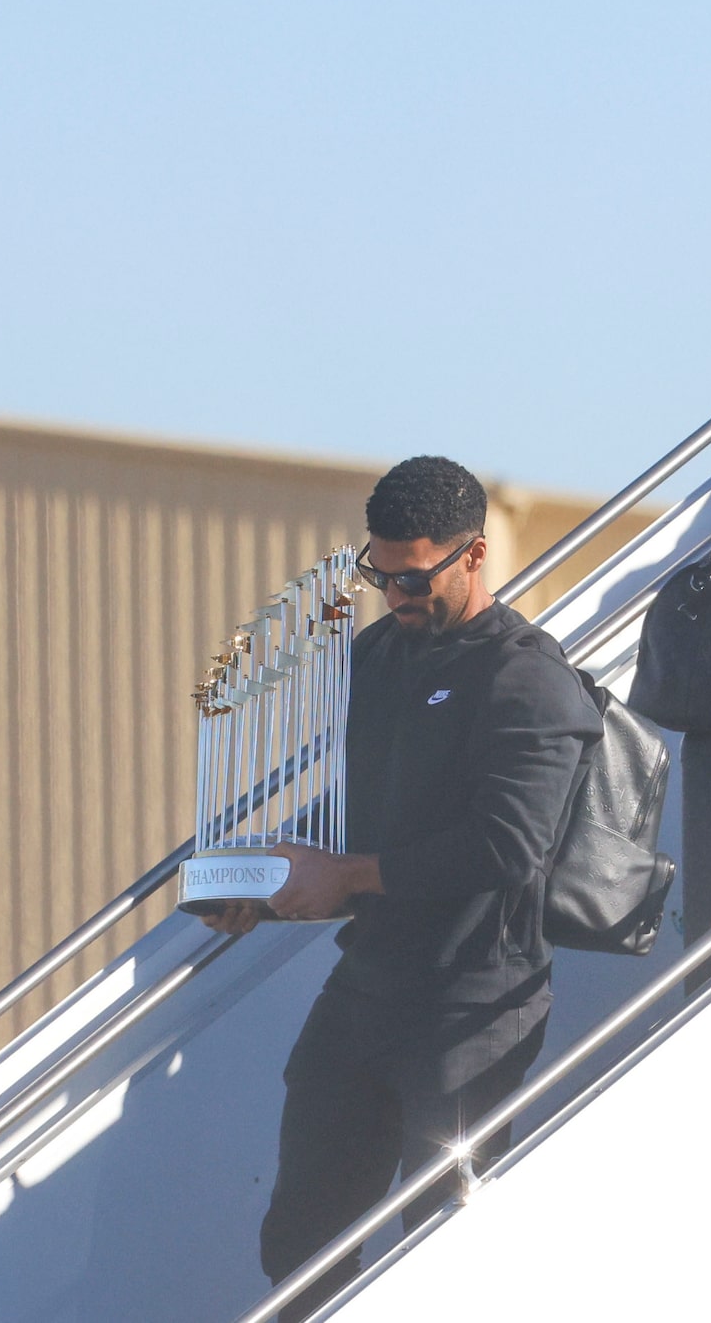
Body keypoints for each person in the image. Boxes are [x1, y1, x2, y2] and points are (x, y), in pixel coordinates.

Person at [220, 455, 601, 1319]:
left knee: (442, 1256)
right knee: (303, 1241)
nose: (396, 594)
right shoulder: (379, 655)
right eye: (379, 575)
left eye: (414, 576)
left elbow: (511, 846)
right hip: (370, 984)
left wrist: (349, 876)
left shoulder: (528, 677)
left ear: (472, 557)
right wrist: (278, 879)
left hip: (474, 1001)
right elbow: (374, 820)